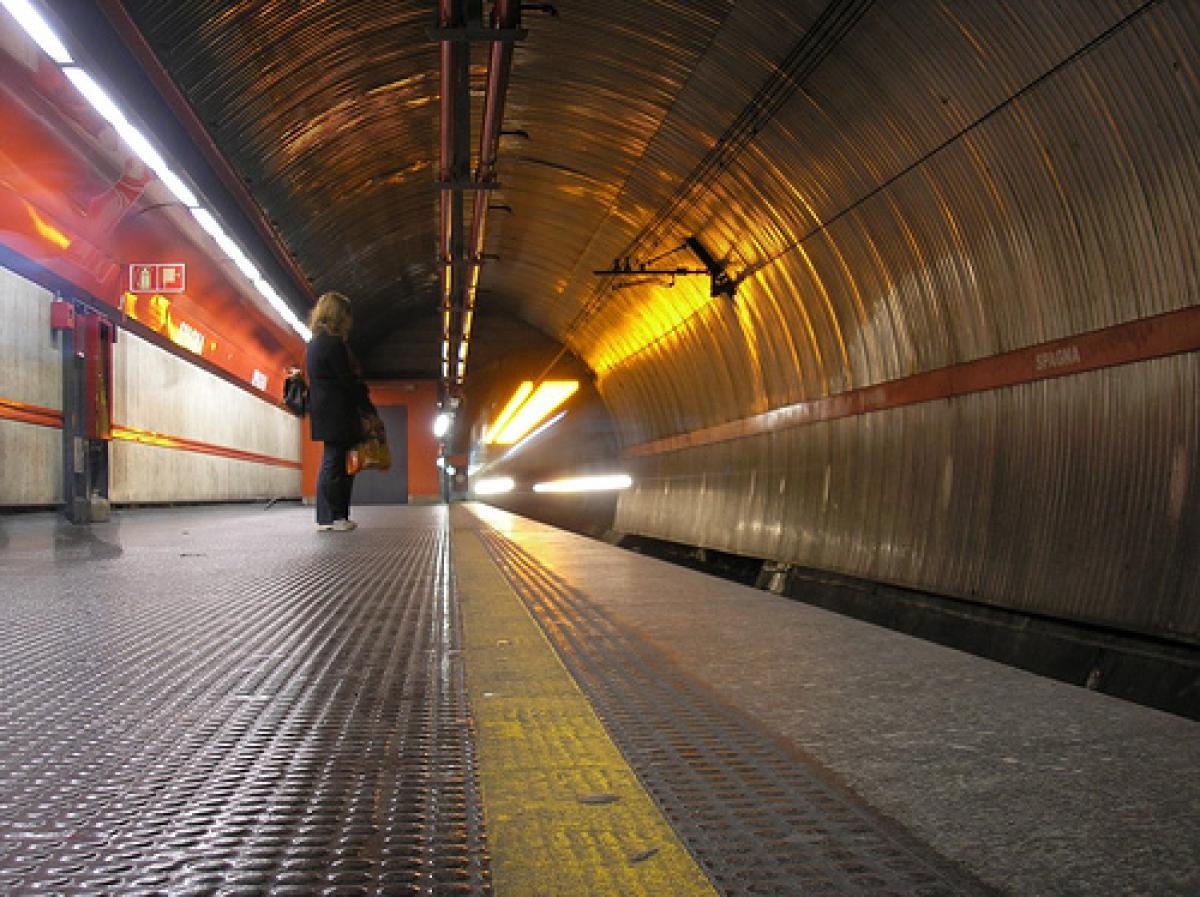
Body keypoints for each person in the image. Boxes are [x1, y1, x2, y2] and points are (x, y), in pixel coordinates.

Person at [305, 291, 376, 532]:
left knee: (332, 462)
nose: (350, 320)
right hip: (338, 412)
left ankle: (327, 517)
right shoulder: (333, 344)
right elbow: (347, 381)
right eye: (347, 314)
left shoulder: (315, 343)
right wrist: (367, 408)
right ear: (338, 315)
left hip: (325, 411)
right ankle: (337, 516)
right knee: (337, 466)